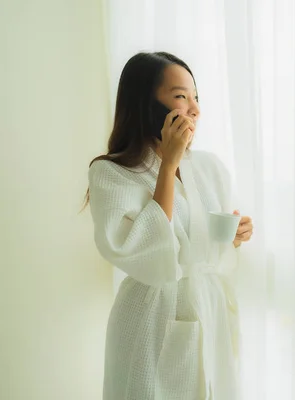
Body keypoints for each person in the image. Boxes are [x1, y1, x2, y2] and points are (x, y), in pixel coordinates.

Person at [86, 52, 253, 400]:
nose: (194, 108)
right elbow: (141, 252)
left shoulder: (209, 168)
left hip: (207, 310)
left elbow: (204, 242)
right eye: (180, 96)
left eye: (196, 97)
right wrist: (168, 164)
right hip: (150, 318)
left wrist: (234, 237)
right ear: (146, 105)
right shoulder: (111, 173)